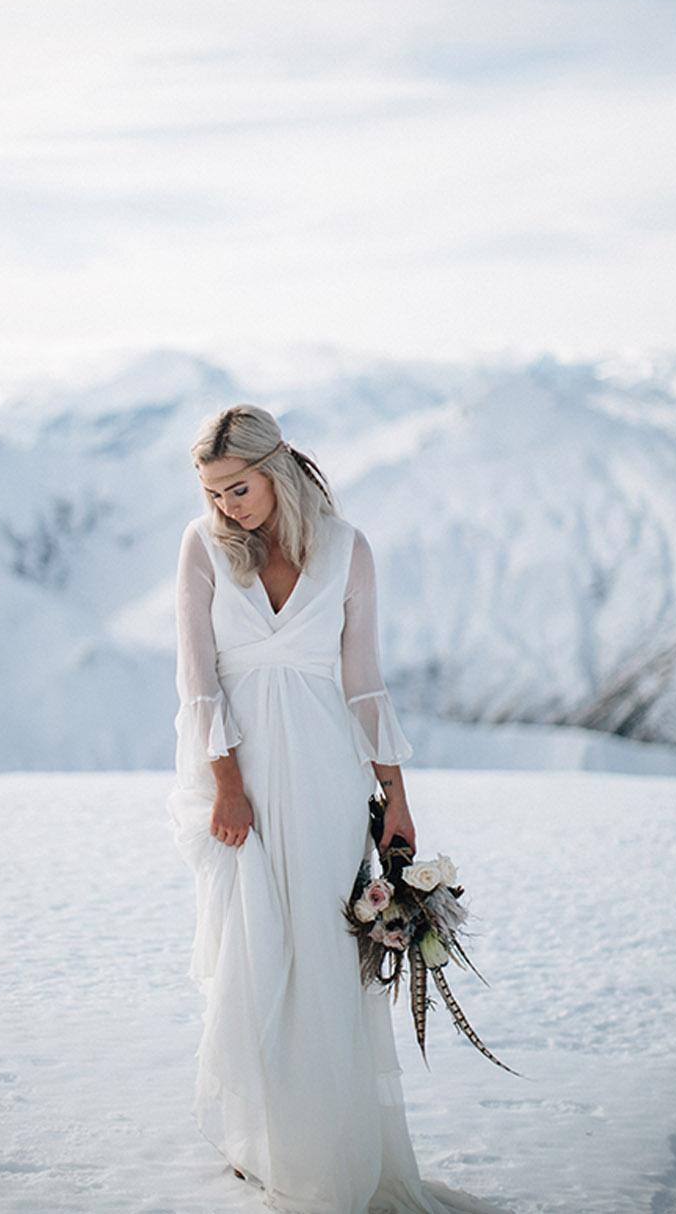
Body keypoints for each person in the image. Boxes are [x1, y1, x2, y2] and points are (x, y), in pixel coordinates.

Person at [166, 404, 515, 1214]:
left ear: (277, 468)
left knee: (324, 958)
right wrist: (225, 782)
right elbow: (197, 678)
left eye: (238, 488)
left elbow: (363, 683)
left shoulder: (347, 548)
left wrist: (395, 796)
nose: (225, 508)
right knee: (257, 955)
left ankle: (331, 1146)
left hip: (326, 774)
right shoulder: (202, 548)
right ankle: (268, 1138)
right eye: (213, 493)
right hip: (240, 775)